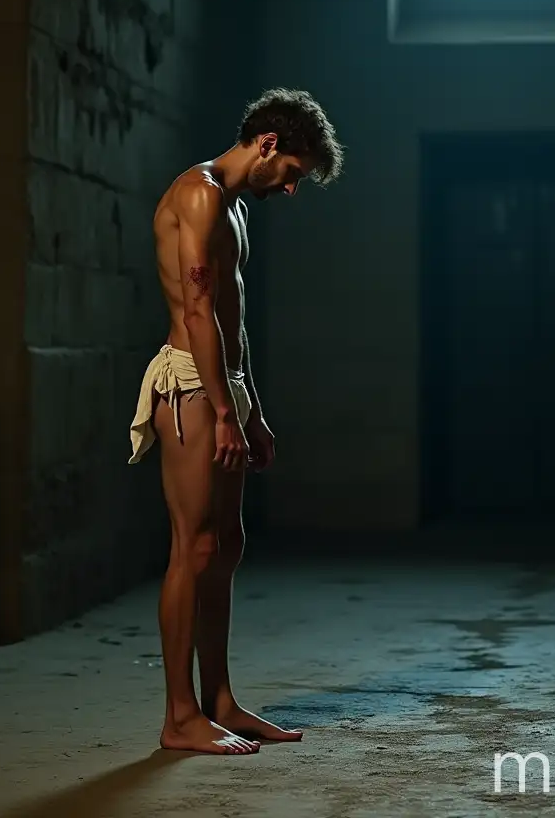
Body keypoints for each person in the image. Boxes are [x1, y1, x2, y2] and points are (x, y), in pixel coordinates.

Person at [128, 88, 344, 754]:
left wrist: (252, 412)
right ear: (269, 145)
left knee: (225, 546)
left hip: (226, 387)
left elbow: (230, 319)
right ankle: (180, 716)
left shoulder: (235, 207)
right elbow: (196, 314)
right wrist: (221, 412)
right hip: (192, 387)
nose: (291, 189)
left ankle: (220, 700)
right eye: (293, 174)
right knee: (192, 547)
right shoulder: (197, 196)